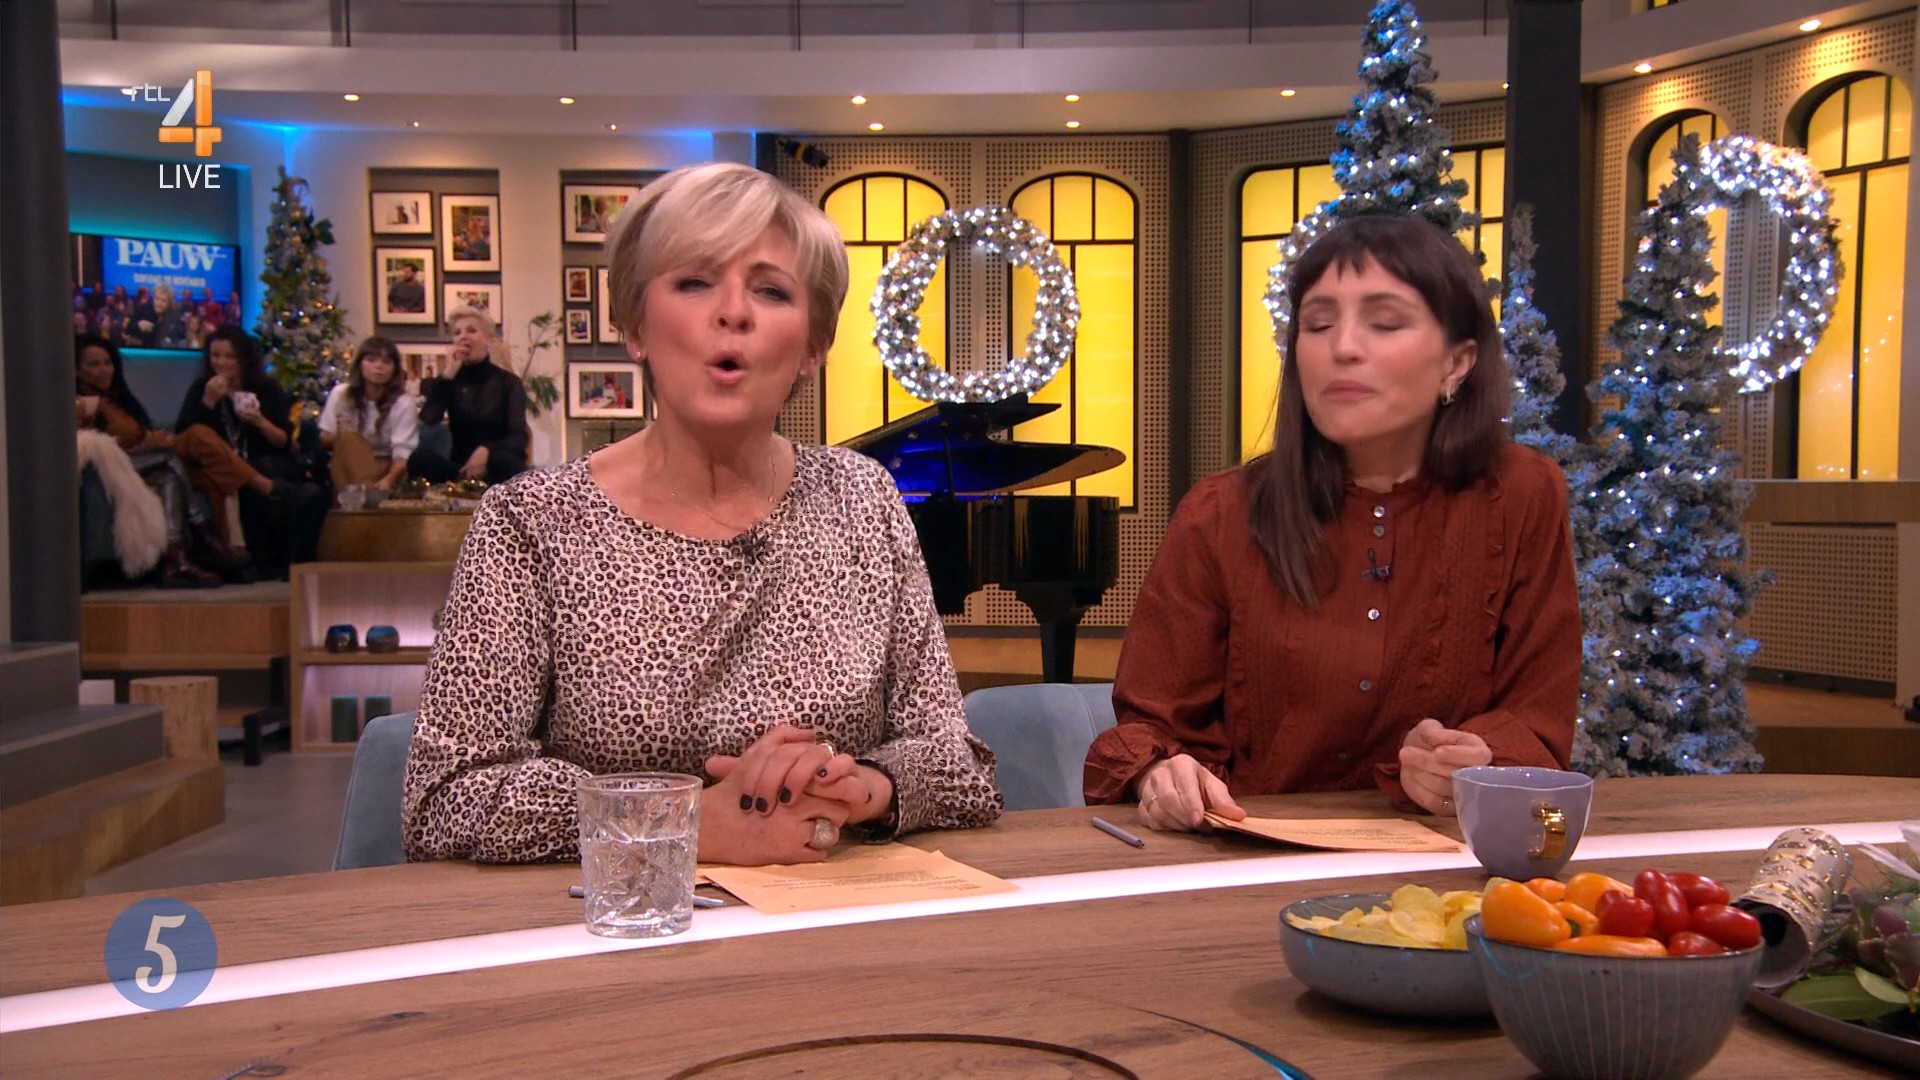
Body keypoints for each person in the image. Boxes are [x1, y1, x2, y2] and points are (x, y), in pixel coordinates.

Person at [403, 161, 1001, 866]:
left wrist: (865, 787)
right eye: (694, 282)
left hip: (828, 906)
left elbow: (959, 765)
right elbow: (444, 798)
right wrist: (681, 822)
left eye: (771, 290)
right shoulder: (530, 522)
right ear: (636, 326)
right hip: (625, 916)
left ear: (812, 346)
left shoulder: (862, 500)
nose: (734, 313)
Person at [1084, 214, 1580, 830]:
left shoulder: (1523, 495)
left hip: (1450, 861)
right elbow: (1151, 728)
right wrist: (1161, 774)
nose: (1342, 347)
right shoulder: (1220, 514)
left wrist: (1472, 764)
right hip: (1247, 858)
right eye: (1318, 325)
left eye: (1385, 322)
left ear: (1457, 363)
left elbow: (1538, 719)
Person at [174, 326, 328, 579]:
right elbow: (187, 437)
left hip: (263, 460)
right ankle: (257, 548)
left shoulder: (266, 389)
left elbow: (283, 441)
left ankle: (280, 560)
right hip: (217, 467)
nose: (220, 362)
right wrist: (209, 401)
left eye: (229, 356)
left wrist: (259, 421)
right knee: (250, 482)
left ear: (244, 359)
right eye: (215, 356)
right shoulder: (202, 389)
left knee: (271, 469)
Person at [74, 335, 225, 587]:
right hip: (109, 470)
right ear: (78, 370)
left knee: (168, 478)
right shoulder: (83, 403)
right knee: (171, 456)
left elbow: (135, 437)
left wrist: (149, 441)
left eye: (107, 363)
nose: (103, 370)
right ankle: (201, 531)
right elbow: (90, 444)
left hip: (140, 464)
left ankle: (175, 561)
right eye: (94, 364)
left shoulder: (117, 400)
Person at [408, 307, 529, 485]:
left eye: (471, 330)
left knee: (503, 461)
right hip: (460, 469)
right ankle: (464, 487)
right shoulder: (448, 380)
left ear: (488, 339)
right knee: (418, 459)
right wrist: (449, 373)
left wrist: (486, 450)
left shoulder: (509, 382)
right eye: (457, 333)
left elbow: (519, 437)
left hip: (497, 465)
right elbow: (429, 418)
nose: (463, 337)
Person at [319, 336, 419, 492]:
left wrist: (388, 480)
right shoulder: (340, 394)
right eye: (371, 360)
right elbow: (324, 441)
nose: (378, 366)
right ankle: (365, 495)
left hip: (385, 467)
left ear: (395, 369)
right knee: (349, 440)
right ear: (360, 364)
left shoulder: (403, 403)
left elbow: (402, 458)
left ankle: (363, 496)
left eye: (386, 362)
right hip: (344, 462)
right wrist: (341, 435)